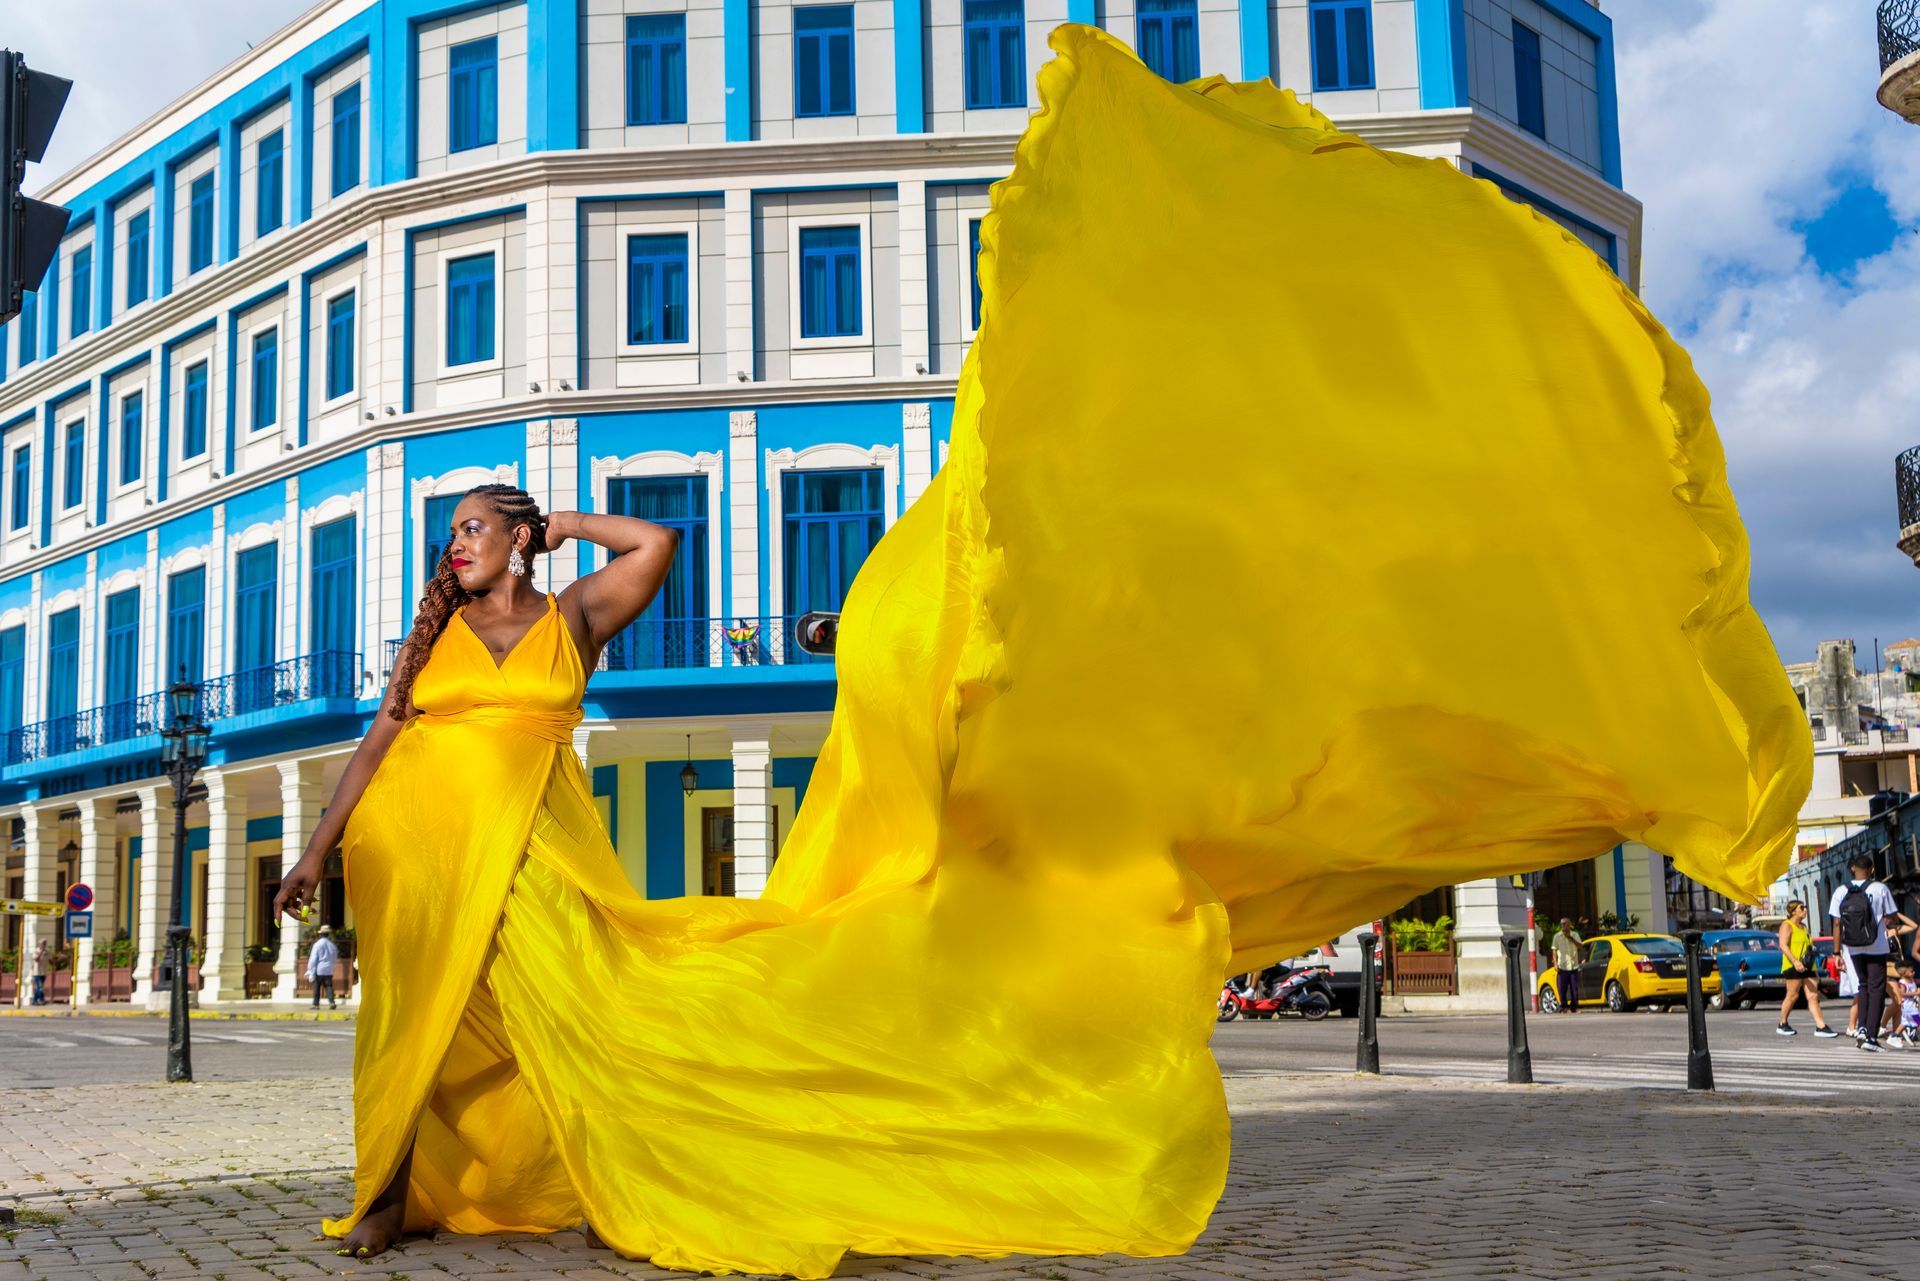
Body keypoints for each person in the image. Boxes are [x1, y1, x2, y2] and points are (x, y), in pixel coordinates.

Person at [1830, 854, 1902, 1052]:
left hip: (1852, 946)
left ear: (1852, 868)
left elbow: (1836, 923)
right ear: (1871, 870)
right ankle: (1871, 1036)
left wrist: (1836, 953)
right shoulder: (1879, 888)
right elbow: (1892, 915)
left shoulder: (1841, 890)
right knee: (1877, 988)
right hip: (1876, 945)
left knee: (1862, 986)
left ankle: (1862, 1028)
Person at [1775, 899, 1837, 1037]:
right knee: (1793, 995)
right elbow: (1783, 945)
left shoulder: (1804, 927)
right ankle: (1782, 1023)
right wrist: (1795, 961)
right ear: (1792, 911)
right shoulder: (1787, 925)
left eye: (1805, 907)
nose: (1805, 910)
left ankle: (1821, 1026)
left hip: (1808, 966)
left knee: (1813, 995)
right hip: (1793, 966)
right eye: (1801, 907)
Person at [1552, 918, 1582, 1013]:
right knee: (1562, 989)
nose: (1564, 926)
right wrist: (1555, 963)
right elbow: (1554, 950)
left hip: (1573, 965)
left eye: (1566, 924)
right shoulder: (1557, 937)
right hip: (1562, 966)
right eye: (1563, 924)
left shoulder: (1575, 935)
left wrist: (1571, 938)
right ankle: (1564, 1007)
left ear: (1569, 925)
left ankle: (1574, 1006)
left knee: (1574, 989)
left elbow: (1580, 946)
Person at [307, 926, 339, 1010]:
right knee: (329, 986)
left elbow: (313, 958)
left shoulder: (317, 945)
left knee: (317, 987)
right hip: (329, 970)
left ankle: (315, 1004)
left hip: (319, 969)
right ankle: (332, 1002)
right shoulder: (332, 945)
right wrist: (332, 967)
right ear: (328, 934)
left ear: (320, 934)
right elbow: (334, 957)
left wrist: (311, 970)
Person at [29, 938, 49, 1006]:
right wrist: (40, 952)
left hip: (43, 972)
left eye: (45, 943)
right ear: (39, 944)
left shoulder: (47, 951)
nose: (44, 945)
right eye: (43, 943)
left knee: (40, 988)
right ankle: (42, 1000)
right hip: (37, 973)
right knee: (40, 987)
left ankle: (34, 1000)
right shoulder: (36, 951)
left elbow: (50, 959)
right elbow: (36, 959)